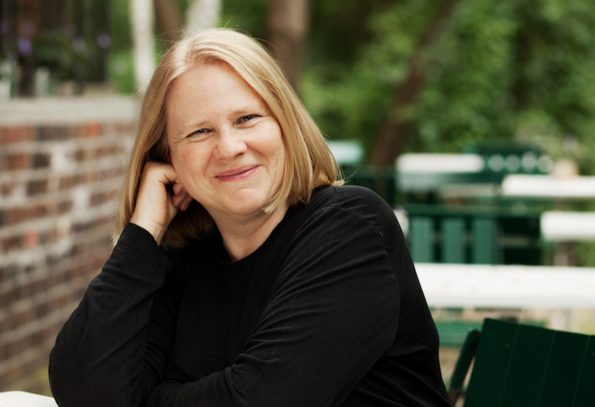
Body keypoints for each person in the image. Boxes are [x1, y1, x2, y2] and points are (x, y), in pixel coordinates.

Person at [48, 28, 450, 407]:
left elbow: (262, 400)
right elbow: (86, 394)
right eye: (200, 131)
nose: (229, 147)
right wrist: (142, 234)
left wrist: (145, 401)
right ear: (167, 157)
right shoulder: (182, 259)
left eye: (247, 119)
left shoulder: (351, 228)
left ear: (285, 124)